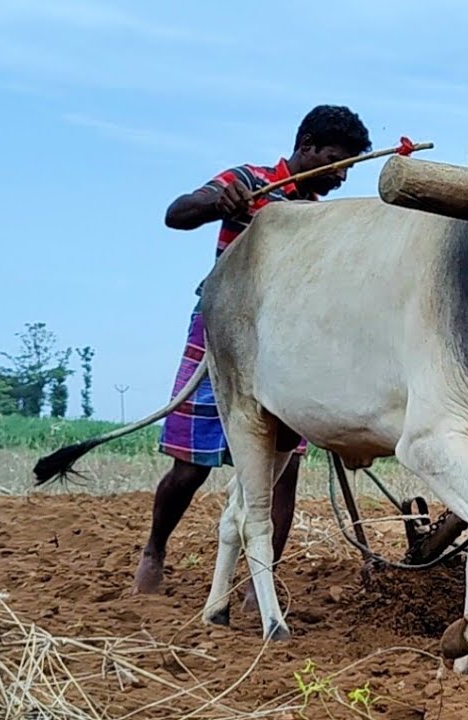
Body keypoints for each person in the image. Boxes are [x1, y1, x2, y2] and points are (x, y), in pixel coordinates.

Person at [135, 105, 372, 600]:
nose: (340, 174)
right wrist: (219, 203)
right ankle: (155, 549)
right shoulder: (250, 181)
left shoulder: (323, 217)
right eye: (334, 161)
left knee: (283, 470)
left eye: (348, 167)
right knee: (192, 464)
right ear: (306, 145)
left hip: (291, 344)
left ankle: (256, 581)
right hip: (222, 334)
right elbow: (176, 213)